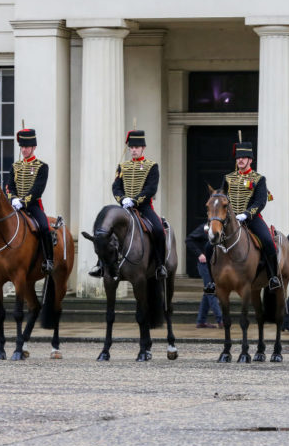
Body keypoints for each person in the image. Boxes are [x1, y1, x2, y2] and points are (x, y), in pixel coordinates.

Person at [204, 141, 281, 293]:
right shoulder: (228, 178)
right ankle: (211, 281)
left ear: (250, 160)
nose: (240, 160)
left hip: (251, 218)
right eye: (238, 157)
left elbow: (261, 201)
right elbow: (221, 198)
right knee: (208, 247)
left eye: (244, 157)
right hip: (229, 219)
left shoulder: (259, 179)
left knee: (267, 241)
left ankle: (273, 276)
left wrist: (246, 214)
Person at [89, 130, 166, 279]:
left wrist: (135, 200)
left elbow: (151, 188)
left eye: (137, 147)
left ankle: (160, 265)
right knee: (104, 232)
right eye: (132, 147)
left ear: (143, 148)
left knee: (158, 229)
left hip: (143, 207)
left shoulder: (152, 166)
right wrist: (122, 199)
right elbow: (116, 186)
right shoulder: (123, 166)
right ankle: (100, 264)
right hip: (124, 207)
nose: (134, 150)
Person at [5, 128, 54, 274]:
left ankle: (49, 260)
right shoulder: (15, 166)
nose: (24, 150)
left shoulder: (42, 167)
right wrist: (13, 199)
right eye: (22, 147)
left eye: (26, 147)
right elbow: (9, 186)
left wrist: (23, 202)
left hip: (32, 206)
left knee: (45, 227)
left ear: (33, 147)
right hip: (14, 206)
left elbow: (38, 189)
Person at [185, 221, 222, 328]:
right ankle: (220, 319)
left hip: (216, 264)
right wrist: (200, 254)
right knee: (211, 290)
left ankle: (201, 320)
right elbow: (189, 240)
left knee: (208, 291)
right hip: (205, 264)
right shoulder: (205, 227)